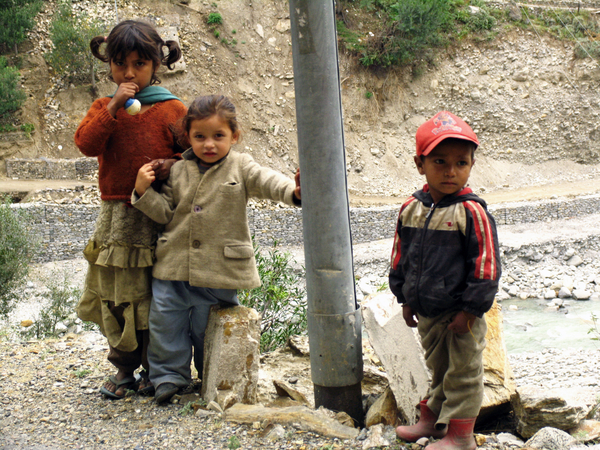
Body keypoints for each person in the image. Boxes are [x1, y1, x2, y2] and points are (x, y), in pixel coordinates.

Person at [131, 94, 302, 404]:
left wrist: (294, 192)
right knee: (165, 324)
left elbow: (268, 181)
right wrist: (143, 191)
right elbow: (165, 213)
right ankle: (168, 378)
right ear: (188, 137)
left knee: (207, 331)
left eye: (218, 136)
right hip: (173, 269)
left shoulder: (242, 166)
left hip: (220, 273)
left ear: (234, 136)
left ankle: (211, 375)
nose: (209, 144)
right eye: (200, 137)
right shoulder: (179, 170)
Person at [74, 19, 187, 399]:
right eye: (120, 64)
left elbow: (195, 154)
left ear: (157, 64)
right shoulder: (103, 107)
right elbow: (87, 144)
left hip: (157, 215)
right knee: (119, 293)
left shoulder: (172, 108)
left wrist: (172, 165)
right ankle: (123, 368)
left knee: (157, 295)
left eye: (139, 64)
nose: (129, 73)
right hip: (117, 219)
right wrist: (114, 106)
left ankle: (159, 370)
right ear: (108, 64)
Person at [389, 111, 501, 450]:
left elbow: (486, 266)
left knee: (464, 371)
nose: (451, 171)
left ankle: (461, 434)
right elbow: (400, 256)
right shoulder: (411, 208)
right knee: (438, 367)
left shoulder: (472, 212)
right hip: (428, 310)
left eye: (461, 163)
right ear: (420, 164)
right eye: (440, 161)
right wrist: (404, 297)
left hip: (461, 314)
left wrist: (470, 310)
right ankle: (434, 419)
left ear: (471, 164)